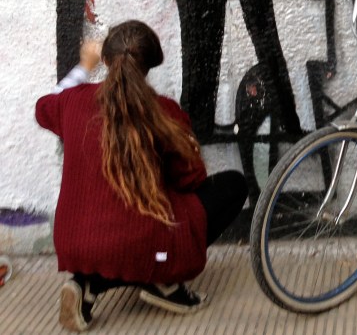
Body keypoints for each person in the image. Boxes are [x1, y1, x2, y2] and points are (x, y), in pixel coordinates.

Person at [35, 20, 248, 332]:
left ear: (105, 60)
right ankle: (163, 278)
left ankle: (87, 283)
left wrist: (84, 67)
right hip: (140, 244)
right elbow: (190, 179)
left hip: (74, 243)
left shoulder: (72, 101)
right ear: (150, 65)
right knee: (233, 186)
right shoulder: (164, 111)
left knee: (125, 238)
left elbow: (42, 107)